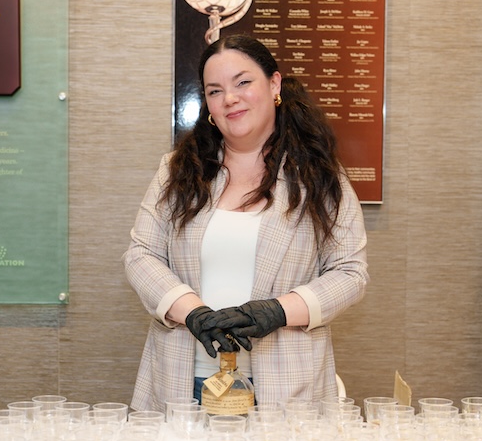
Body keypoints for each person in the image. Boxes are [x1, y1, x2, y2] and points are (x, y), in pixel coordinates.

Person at [123, 34, 369, 412]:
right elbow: (142, 255)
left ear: (274, 84)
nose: (230, 99)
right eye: (215, 91)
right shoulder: (178, 171)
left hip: (286, 388)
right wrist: (192, 312)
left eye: (243, 82)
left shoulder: (320, 175)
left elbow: (350, 272)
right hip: (183, 379)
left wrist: (278, 311)